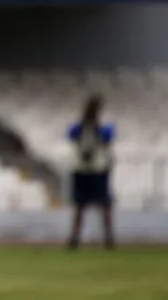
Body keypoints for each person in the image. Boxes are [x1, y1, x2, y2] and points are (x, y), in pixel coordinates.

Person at [67, 95, 116, 250]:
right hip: (82, 169)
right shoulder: (80, 126)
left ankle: (108, 237)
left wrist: (97, 126)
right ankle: (75, 238)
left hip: (98, 169)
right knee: (80, 205)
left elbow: (108, 137)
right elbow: (71, 134)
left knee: (104, 205)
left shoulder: (103, 126)